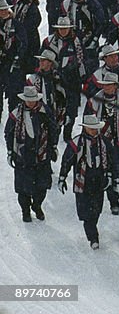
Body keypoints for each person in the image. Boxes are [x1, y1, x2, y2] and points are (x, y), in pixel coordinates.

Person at [5, 82, 59, 223]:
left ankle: (37, 205)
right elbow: (8, 133)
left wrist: (53, 146)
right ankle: (25, 211)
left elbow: (53, 129)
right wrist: (10, 151)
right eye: (28, 100)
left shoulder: (45, 112)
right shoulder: (16, 113)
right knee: (23, 188)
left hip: (42, 154)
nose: (30, 102)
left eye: (33, 100)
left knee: (42, 185)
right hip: (23, 155)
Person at [58, 113, 112, 249]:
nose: (94, 131)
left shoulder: (104, 143)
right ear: (85, 128)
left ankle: (92, 230)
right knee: (86, 212)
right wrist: (62, 178)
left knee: (96, 210)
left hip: (99, 182)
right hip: (82, 182)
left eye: (95, 128)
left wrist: (111, 177)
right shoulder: (76, 143)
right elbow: (67, 161)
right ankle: (93, 237)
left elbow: (113, 161)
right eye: (91, 128)